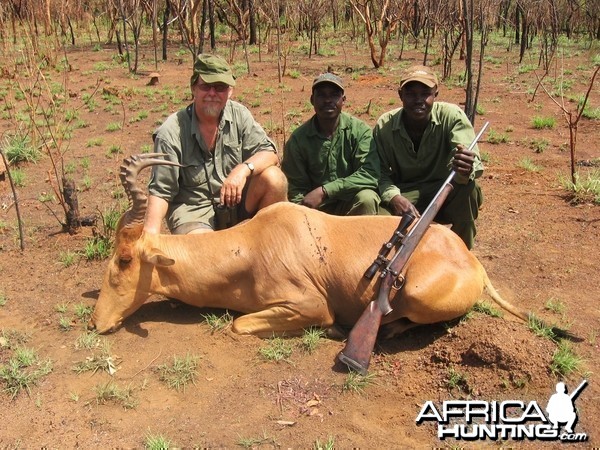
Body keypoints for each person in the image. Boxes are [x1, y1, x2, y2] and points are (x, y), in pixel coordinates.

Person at [144, 54, 287, 235]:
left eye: (220, 87)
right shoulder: (171, 132)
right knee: (206, 253)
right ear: (193, 88)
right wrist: (149, 236)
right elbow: (161, 191)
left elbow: (269, 153)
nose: (212, 93)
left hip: (236, 203)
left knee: (274, 178)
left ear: (230, 91)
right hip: (195, 212)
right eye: (206, 87)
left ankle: (266, 247)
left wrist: (242, 170)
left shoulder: (239, 115)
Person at [374, 65, 484, 249]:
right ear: (400, 95)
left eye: (425, 93)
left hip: (444, 191)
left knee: (469, 190)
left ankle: (461, 253)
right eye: (411, 94)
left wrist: (464, 169)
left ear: (436, 94)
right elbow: (378, 172)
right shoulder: (385, 125)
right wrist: (394, 197)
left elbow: (471, 163)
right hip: (404, 193)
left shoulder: (452, 116)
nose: (418, 100)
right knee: (373, 212)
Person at [281, 73, 381, 216]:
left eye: (334, 95)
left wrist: (326, 191)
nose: (328, 100)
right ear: (312, 100)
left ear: (343, 100)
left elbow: (369, 174)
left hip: (350, 202)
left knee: (367, 199)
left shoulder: (360, 131)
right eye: (321, 95)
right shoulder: (298, 140)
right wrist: (305, 210)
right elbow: (295, 188)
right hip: (318, 209)